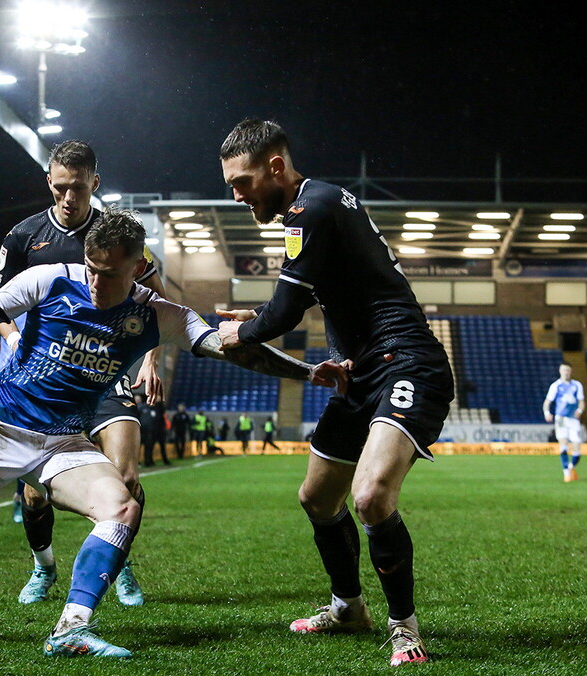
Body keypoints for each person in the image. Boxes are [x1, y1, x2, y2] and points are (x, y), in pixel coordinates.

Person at [0, 208, 345, 657]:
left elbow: (233, 348)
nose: (96, 282)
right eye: (93, 270)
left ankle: (70, 628)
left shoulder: (158, 314)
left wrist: (308, 372)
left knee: (123, 504)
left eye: (109, 274)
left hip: (61, 442)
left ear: (139, 268)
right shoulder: (50, 280)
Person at [217, 119, 454, 667]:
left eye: (243, 181)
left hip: (407, 363)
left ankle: (404, 627)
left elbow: (285, 312)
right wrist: (260, 319)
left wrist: (241, 332)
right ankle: (348, 607)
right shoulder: (319, 202)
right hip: (360, 369)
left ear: (276, 166)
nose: (236, 194)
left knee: (371, 497)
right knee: (318, 498)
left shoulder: (309, 210)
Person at [0, 140, 167, 607]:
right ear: (49, 182)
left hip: (106, 369)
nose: (68, 197)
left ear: (94, 184)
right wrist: (12, 335)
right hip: (43, 378)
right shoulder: (24, 237)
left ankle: (118, 567)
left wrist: (150, 359)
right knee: (36, 496)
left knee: (126, 477)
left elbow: (156, 296)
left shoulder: (116, 231)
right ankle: (44, 570)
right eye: (60, 187)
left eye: (78, 188)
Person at [542, 362, 585, 482]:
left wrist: (580, 410)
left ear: (570, 371)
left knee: (577, 446)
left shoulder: (577, 385)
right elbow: (547, 402)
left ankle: (571, 467)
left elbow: (581, 400)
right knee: (563, 444)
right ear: (560, 371)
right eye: (564, 370)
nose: (566, 372)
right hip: (561, 418)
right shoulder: (555, 386)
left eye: (568, 370)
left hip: (573, 419)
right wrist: (547, 413)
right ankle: (566, 471)